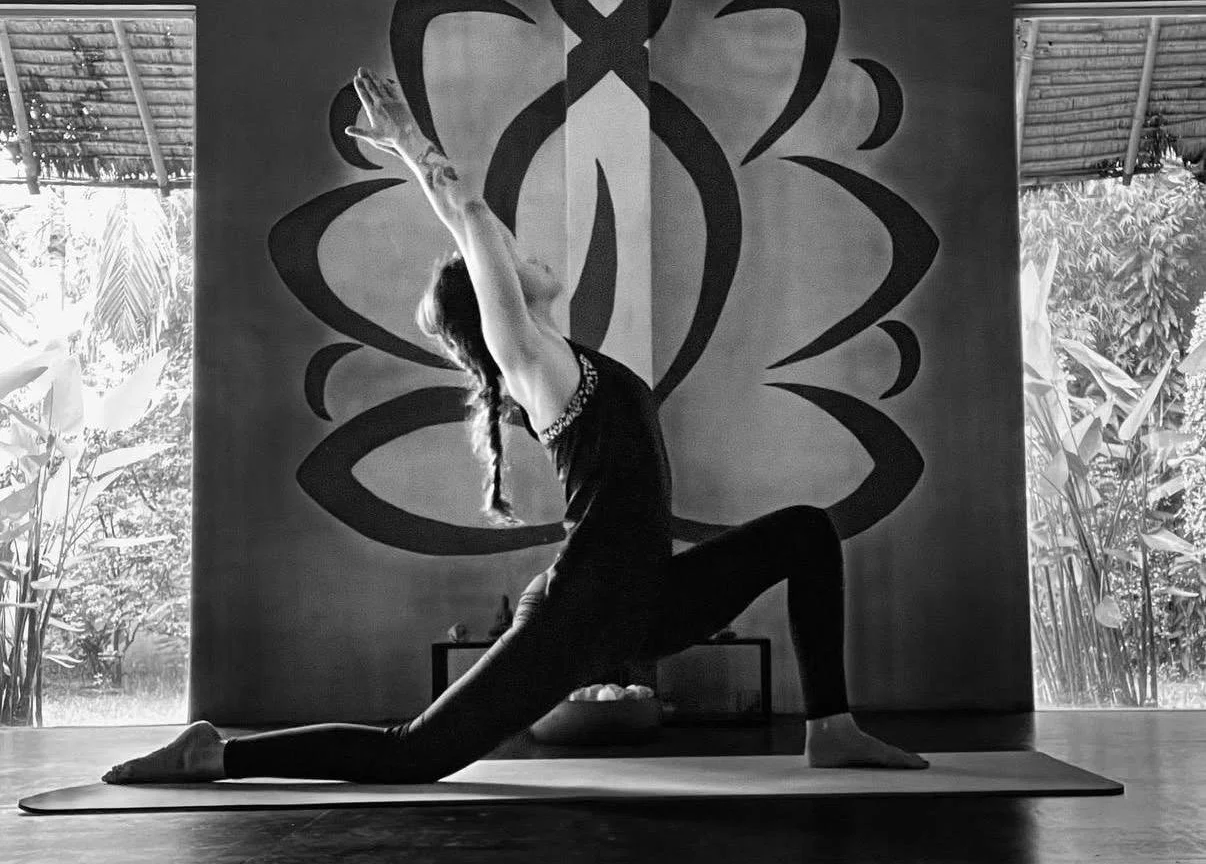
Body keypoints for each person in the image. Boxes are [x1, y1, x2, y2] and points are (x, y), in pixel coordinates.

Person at [102, 68, 927, 785]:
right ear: (496, 298)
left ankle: (831, 726)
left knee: (808, 534)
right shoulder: (528, 356)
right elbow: (469, 217)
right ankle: (216, 753)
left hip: (645, 598)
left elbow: (476, 223)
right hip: (582, 611)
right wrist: (410, 139)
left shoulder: (556, 353)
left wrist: (423, 171)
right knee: (415, 752)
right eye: (507, 257)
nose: (522, 251)